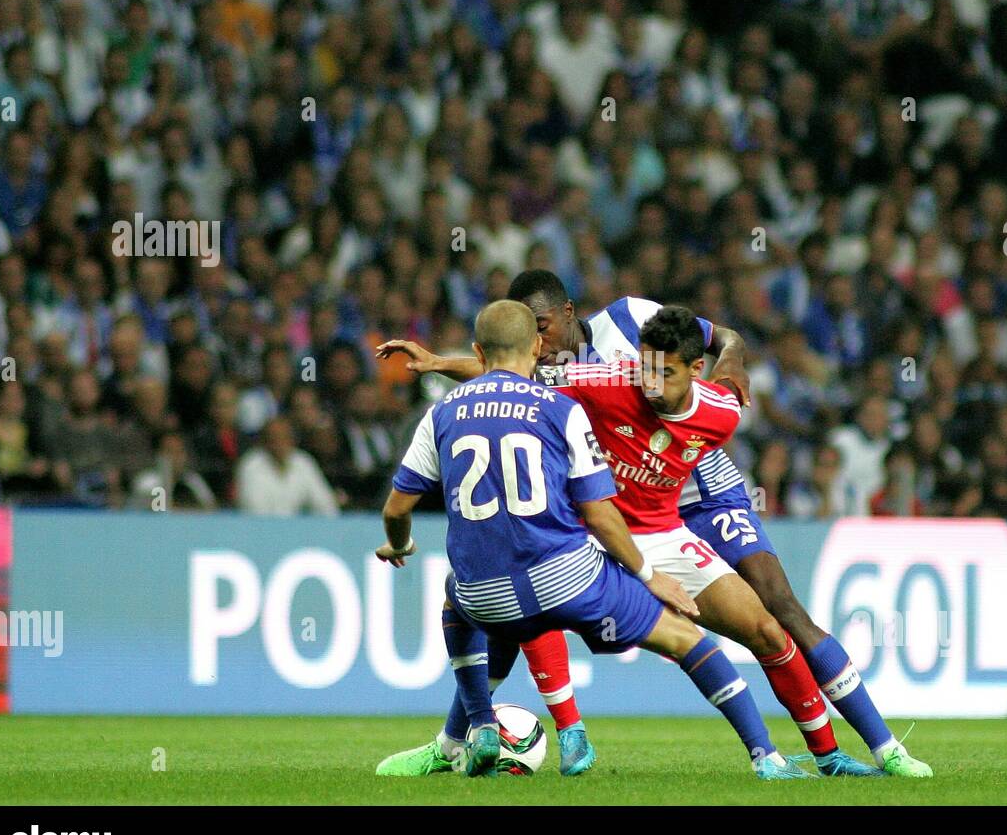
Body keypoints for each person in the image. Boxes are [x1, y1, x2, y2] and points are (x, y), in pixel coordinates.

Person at [382, 274, 932, 777]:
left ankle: (860, 751)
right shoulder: (586, 379)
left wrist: (735, 354)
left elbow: (723, 340)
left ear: (567, 313)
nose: (538, 342)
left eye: (543, 328)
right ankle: (460, 740)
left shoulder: (638, 325)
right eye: (529, 335)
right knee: (517, 617)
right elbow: (505, 373)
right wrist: (438, 363)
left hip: (702, 499)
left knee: (777, 616)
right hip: (621, 516)